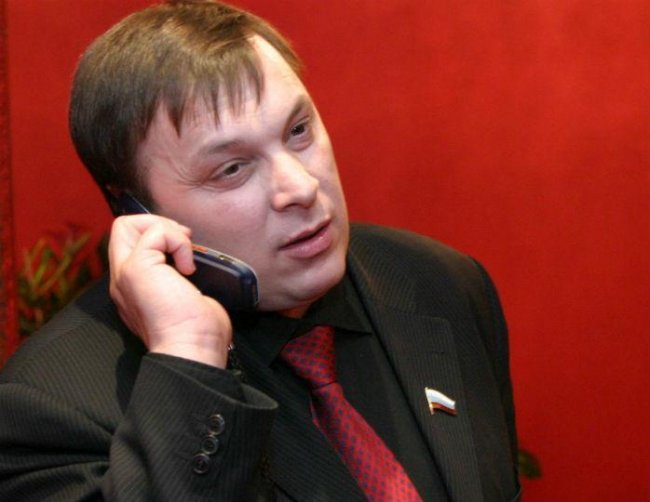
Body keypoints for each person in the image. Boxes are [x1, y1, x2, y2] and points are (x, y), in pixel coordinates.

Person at [0, 1, 520, 500]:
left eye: (298, 131)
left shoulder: (443, 284)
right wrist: (190, 355)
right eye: (232, 168)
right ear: (136, 209)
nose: (301, 186)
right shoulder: (50, 406)